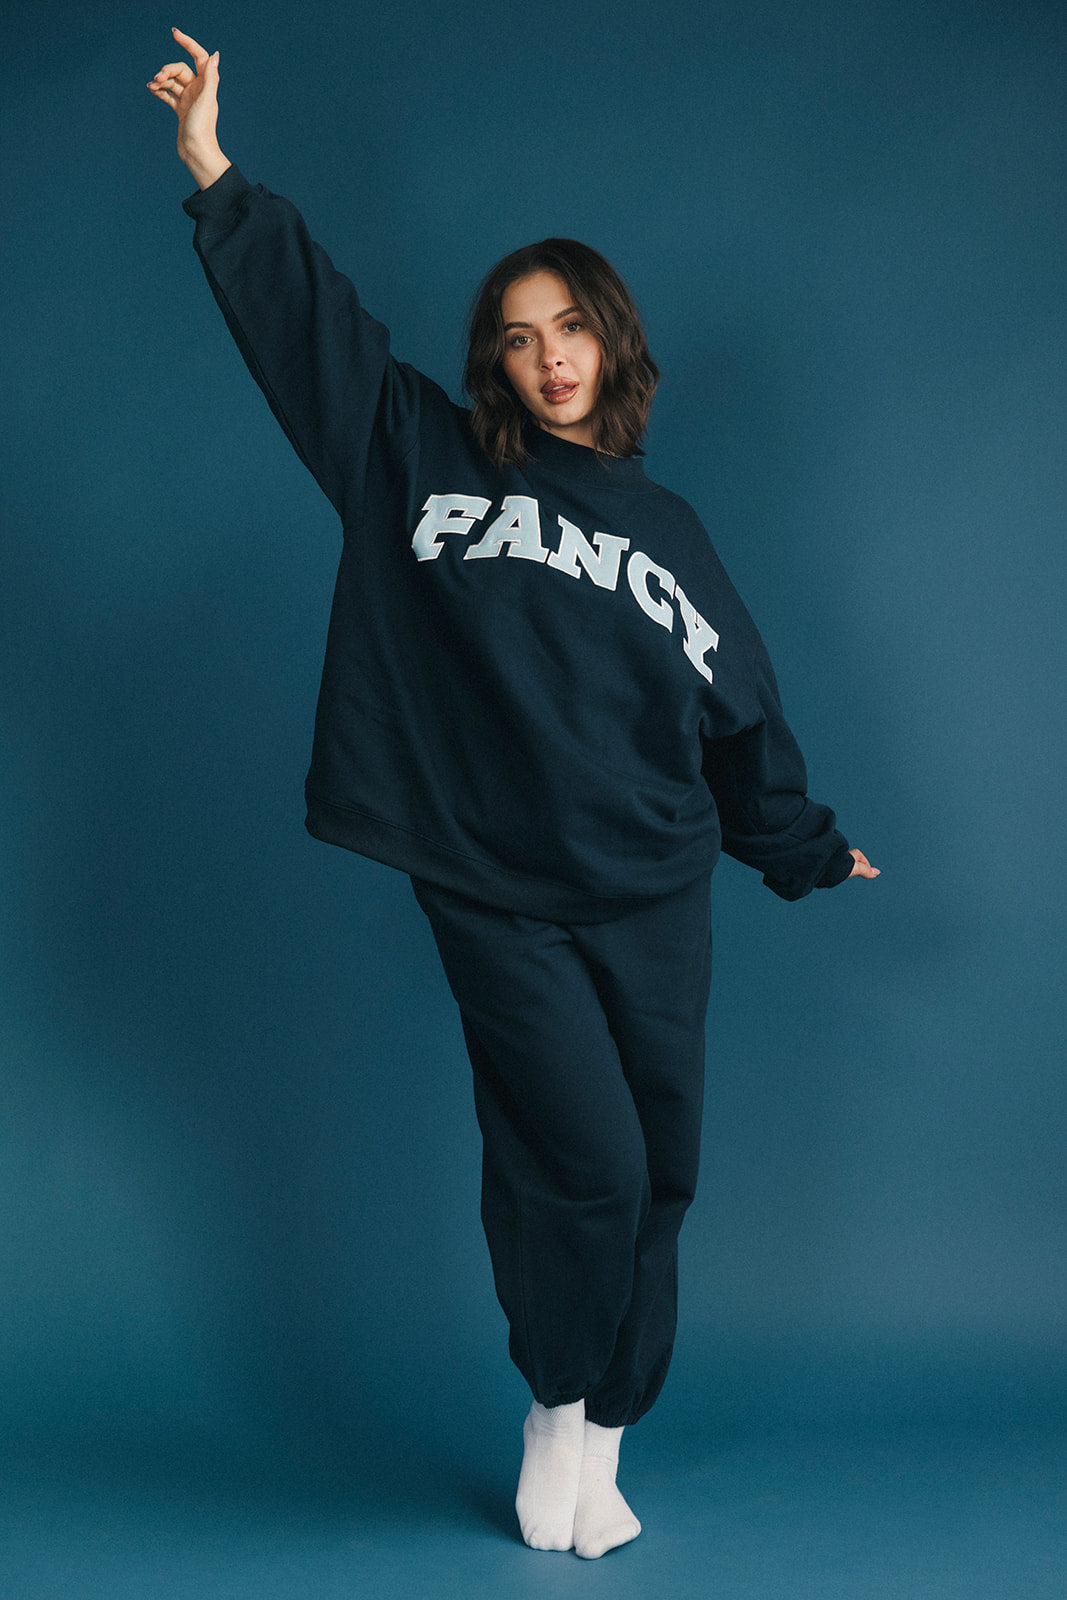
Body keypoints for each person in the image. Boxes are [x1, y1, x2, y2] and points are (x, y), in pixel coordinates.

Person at [148, 30, 880, 1560]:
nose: (550, 357)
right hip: (499, 889)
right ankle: (557, 1399)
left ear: (612, 346)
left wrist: (806, 849)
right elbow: (315, 336)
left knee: (660, 1175)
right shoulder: (421, 457)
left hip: (655, 891)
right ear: (493, 358)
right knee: (580, 1164)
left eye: (573, 330)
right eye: (521, 335)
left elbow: (740, 716)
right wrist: (217, 173)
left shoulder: (669, 531)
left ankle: (607, 1425)